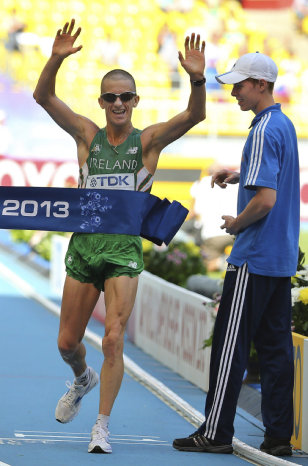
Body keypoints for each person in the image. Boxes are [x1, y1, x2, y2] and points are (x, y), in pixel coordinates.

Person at [33, 19, 206, 454]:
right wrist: (55, 58)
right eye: (110, 97)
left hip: (124, 251)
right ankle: (81, 378)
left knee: (113, 337)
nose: (118, 103)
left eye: (125, 96)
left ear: (135, 101)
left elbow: (194, 114)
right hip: (85, 247)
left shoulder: (147, 143)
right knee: (67, 343)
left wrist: (198, 79)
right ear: (102, 101)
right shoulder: (87, 135)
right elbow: (43, 97)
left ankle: (101, 427)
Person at [173, 52, 300, 457]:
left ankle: (215, 431)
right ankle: (279, 435)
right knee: (276, 351)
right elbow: (270, 179)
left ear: (261, 84)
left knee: (231, 346)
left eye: (240, 84)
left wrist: (236, 223)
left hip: (254, 255)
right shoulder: (283, 124)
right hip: (279, 258)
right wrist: (240, 173)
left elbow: (264, 200)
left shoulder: (263, 129)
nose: (233, 92)